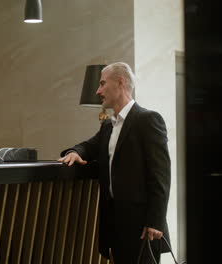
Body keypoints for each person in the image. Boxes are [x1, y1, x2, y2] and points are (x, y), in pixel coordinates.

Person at [58, 62, 171, 263]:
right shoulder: (108, 126)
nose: (98, 90)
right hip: (115, 224)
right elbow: (88, 146)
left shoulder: (148, 119)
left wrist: (155, 222)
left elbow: (160, 175)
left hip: (143, 227)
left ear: (120, 82)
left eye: (102, 84)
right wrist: (75, 152)